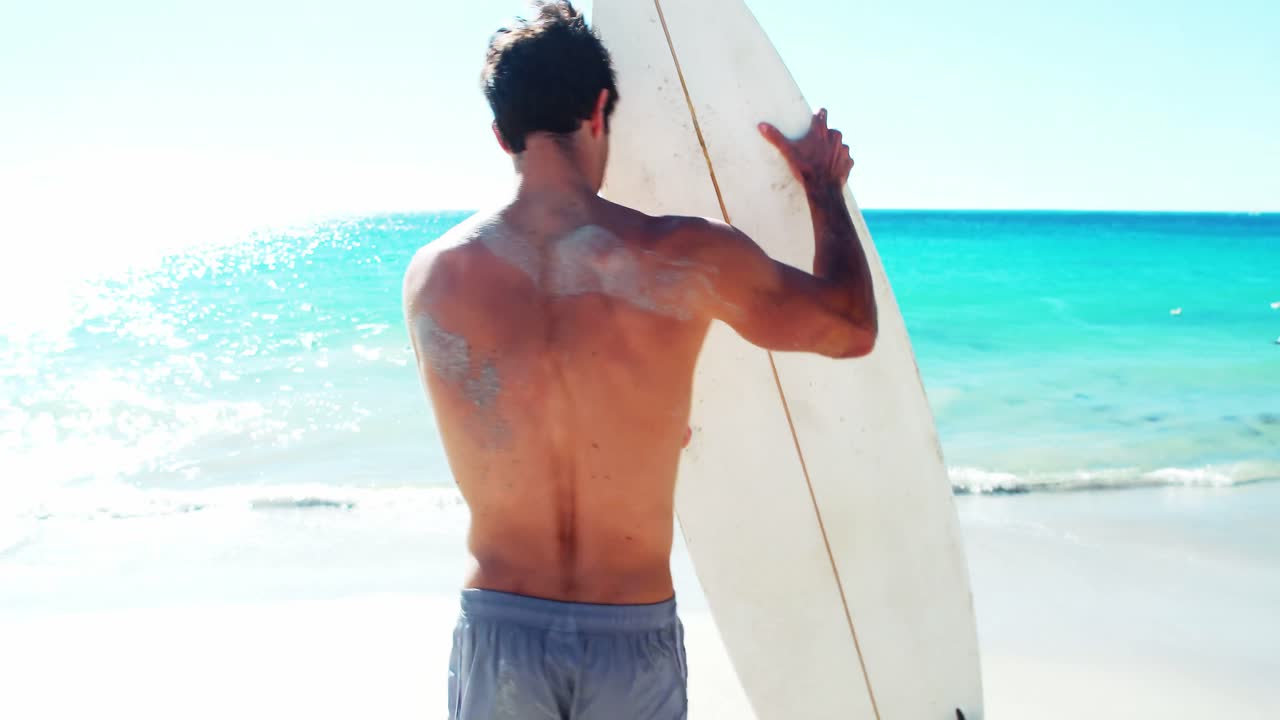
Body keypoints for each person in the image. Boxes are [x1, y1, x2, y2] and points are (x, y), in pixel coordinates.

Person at [402, 2, 876, 718]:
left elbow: (509, 410)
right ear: (600, 108)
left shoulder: (433, 278)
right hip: (630, 634)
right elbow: (849, 328)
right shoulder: (689, 258)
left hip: (500, 632)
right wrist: (822, 191)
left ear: (501, 134)